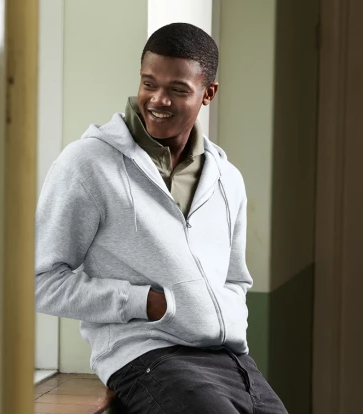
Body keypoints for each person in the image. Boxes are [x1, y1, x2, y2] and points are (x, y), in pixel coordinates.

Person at [35, 23, 287, 414]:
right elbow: (40, 281)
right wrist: (144, 302)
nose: (158, 100)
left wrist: (225, 317)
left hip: (229, 358)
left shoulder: (227, 179)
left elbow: (235, 278)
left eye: (177, 89)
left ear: (208, 93)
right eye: (149, 83)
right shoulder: (87, 165)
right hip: (147, 355)